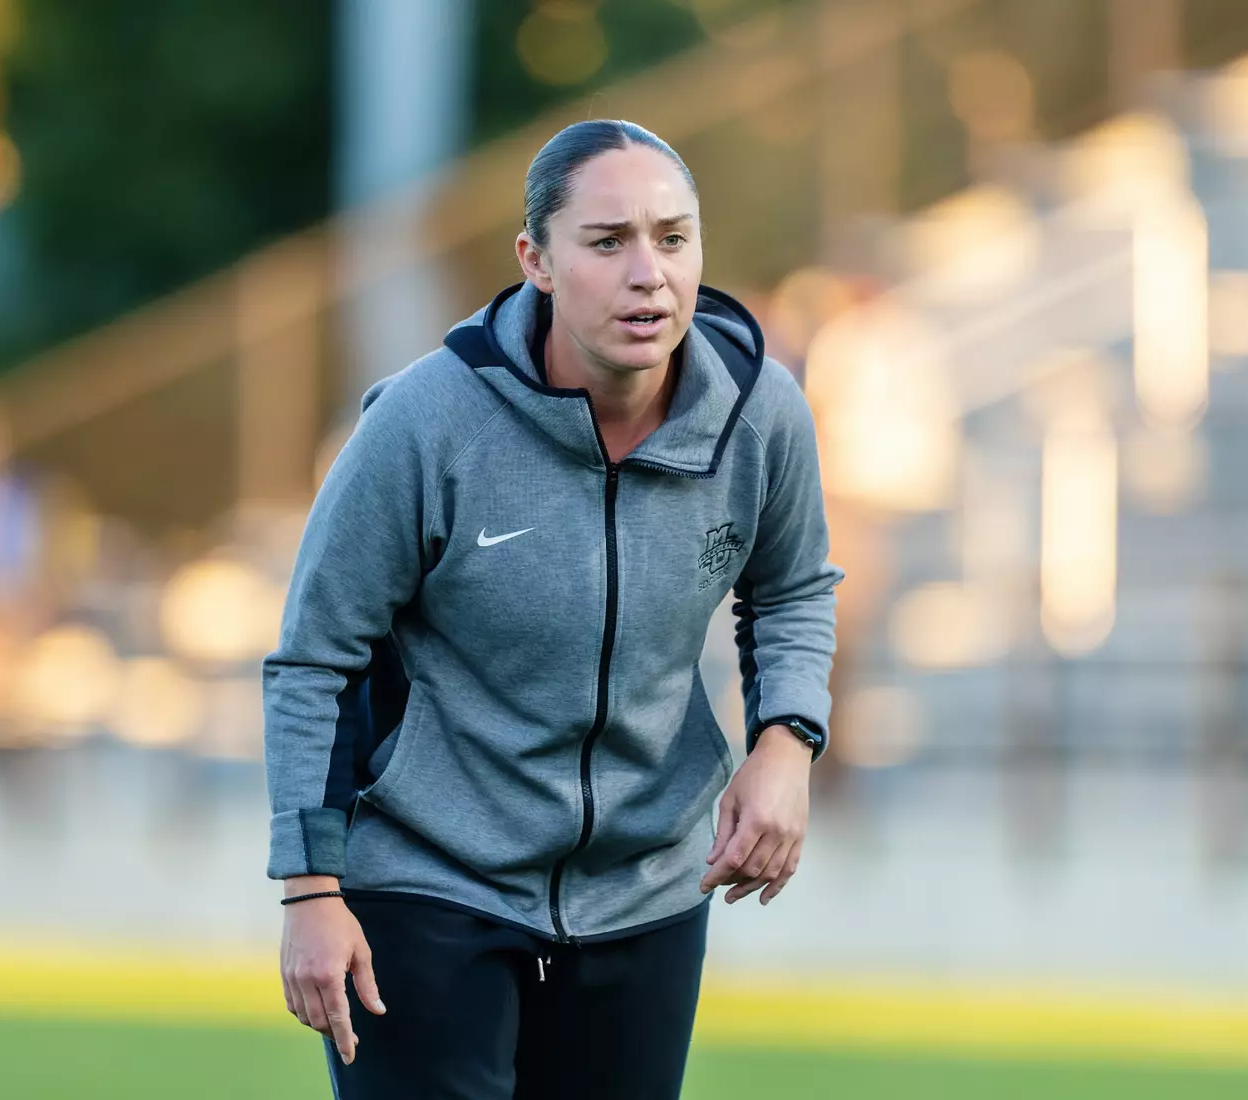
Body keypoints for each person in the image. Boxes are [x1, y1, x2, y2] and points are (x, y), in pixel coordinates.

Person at [263, 118, 842, 1099]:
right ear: (535, 259)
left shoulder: (760, 412)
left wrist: (786, 738)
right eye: (607, 241)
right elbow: (317, 657)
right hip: (426, 880)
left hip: (645, 890)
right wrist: (311, 888)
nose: (647, 273)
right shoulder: (424, 422)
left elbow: (789, 586)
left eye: (672, 237)